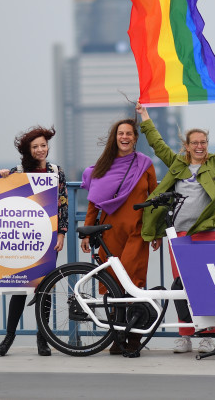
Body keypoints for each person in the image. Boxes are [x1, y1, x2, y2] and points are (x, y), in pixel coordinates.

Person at [136, 96, 215, 354]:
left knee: (208, 283)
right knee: (180, 285)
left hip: (206, 233)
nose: (199, 146)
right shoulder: (178, 164)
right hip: (180, 236)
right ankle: (185, 334)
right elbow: (157, 144)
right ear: (186, 145)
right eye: (194, 143)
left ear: (207, 145)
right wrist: (144, 116)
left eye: (203, 142)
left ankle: (207, 333)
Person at [80, 117, 158, 355]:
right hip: (109, 231)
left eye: (129, 134)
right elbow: (94, 202)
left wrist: (156, 232)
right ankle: (117, 338)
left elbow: (154, 199)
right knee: (114, 287)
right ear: (115, 138)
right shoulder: (103, 166)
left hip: (137, 232)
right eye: (120, 134)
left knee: (134, 283)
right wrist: (86, 230)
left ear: (135, 138)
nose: (124, 137)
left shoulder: (145, 164)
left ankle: (134, 339)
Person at [0, 126, 68, 357]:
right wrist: (3, 177)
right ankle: (9, 337)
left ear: (48, 147)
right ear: (28, 149)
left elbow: (62, 203)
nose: (40, 150)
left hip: (48, 237)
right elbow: (1, 195)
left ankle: (42, 339)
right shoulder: (17, 171)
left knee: (45, 288)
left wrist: (61, 233)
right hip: (23, 237)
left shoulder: (56, 171)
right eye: (35, 146)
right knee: (19, 287)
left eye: (43, 145)